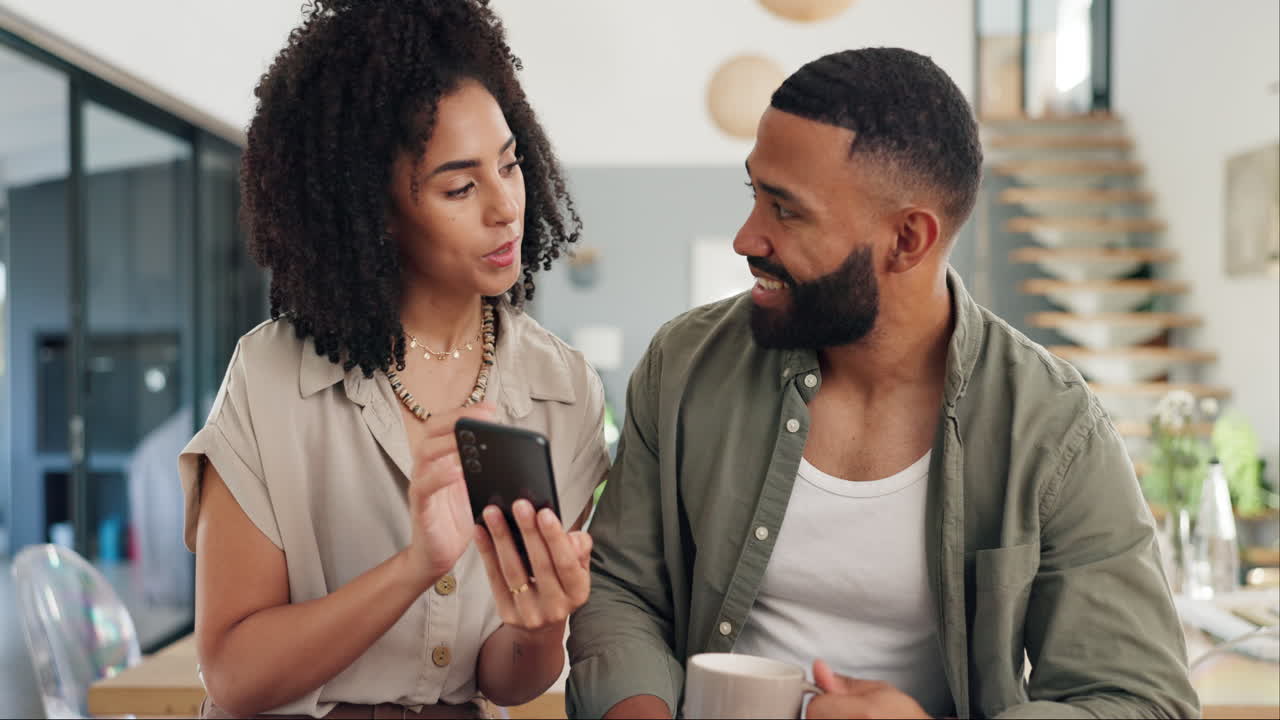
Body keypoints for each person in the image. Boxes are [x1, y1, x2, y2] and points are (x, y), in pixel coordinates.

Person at [567, 48, 1198, 719]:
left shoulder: (1053, 429)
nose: (746, 238)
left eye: (786, 211)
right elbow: (620, 588)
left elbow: (1139, 700)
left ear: (907, 240)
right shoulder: (684, 363)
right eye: (754, 194)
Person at [179, 1, 609, 717]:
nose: (506, 206)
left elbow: (507, 678)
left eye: (510, 164)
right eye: (460, 186)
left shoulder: (562, 388)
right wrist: (418, 567)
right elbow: (235, 677)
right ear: (371, 208)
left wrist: (544, 623)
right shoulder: (273, 379)